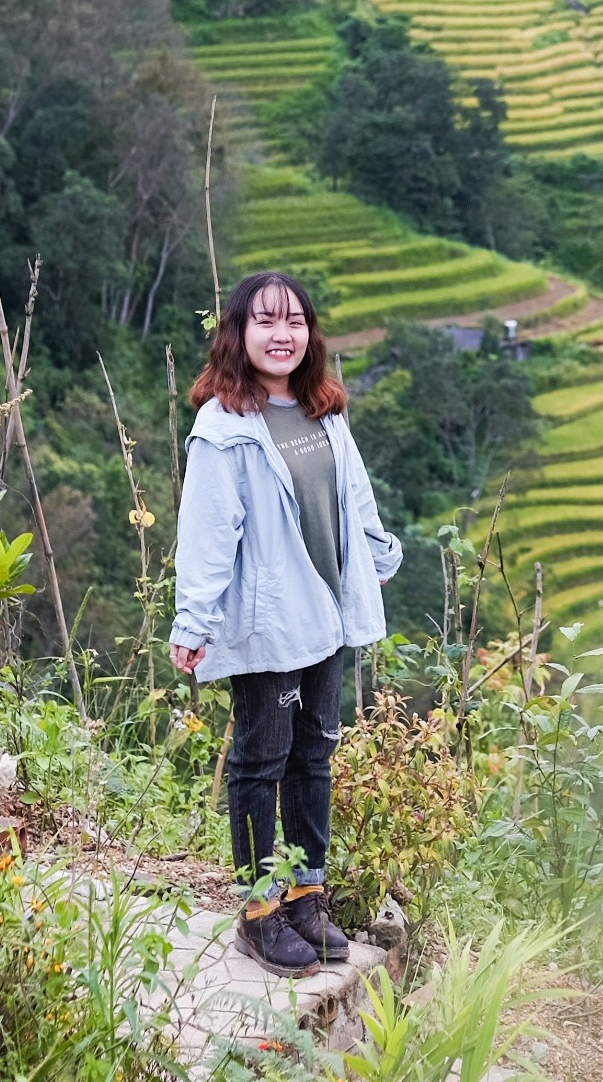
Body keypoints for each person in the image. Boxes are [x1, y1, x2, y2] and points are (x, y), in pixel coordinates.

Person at [171, 271, 402, 976]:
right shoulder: (224, 429)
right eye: (266, 321)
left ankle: (305, 894)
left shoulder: (322, 411)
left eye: (295, 321)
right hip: (269, 620)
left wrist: (376, 555)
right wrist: (193, 621)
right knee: (260, 759)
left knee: (313, 755)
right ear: (238, 333)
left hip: (326, 614)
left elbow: (353, 497)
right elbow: (208, 533)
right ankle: (258, 909)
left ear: (310, 334)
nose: (283, 334)